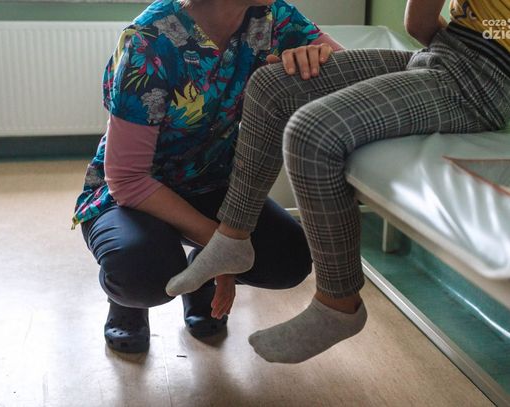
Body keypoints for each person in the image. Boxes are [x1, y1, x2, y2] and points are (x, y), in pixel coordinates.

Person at [166, 0, 510, 363]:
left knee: (311, 132)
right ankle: (232, 237)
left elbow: (419, 23)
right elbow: (418, 25)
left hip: (478, 80)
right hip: (446, 55)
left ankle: (339, 304)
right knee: (270, 86)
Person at [72, 0, 343, 353]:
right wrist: (224, 250)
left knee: (289, 260)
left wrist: (321, 62)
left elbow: (356, 76)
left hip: (211, 180)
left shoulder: (272, 16)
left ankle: (201, 273)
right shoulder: (149, 41)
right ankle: (127, 304)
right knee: (143, 273)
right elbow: (127, 179)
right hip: (134, 195)